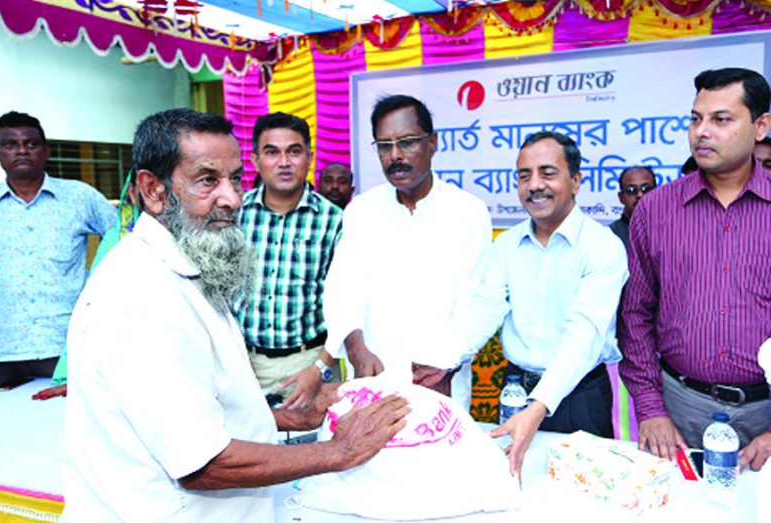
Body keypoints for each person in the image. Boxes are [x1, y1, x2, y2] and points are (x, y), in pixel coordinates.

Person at [62, 108, 409, 521]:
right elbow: (202, 462)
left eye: (235, 179)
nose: (232, 198)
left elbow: (197, 411)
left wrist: (289, 419)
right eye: (207, 180)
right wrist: (341, 450)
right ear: (152, 190)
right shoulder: (143, 295)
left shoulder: (187, 260)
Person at [619, 68, 771, 471]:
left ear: (760, 125)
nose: (701, 132)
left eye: (721, 119)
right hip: (678, 412)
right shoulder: (654, 211)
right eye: (695, 119)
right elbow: (636, 315)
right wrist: (650, 407)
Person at [450, 131, 627, 480]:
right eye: (524, 175)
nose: (534, 185)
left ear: (575, 181)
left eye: (548, 173)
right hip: (515, 391)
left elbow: (583, 336)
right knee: (516, 489)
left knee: (584, 499)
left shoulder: (603, 247)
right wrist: (443, 360)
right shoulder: (505, 246)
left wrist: (539, 405)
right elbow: (484, 312)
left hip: (580, 397)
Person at [314, 94, 492, 409]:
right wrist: (355, 347)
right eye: (384, 146)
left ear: (433, 143)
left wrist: (449, 362)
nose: (395, 155)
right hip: (372, 382)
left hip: (440, 384)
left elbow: (477, 301)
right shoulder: (362, 211)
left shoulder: (468, 212)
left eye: (407, 142)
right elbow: (342, 288)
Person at [0, 111, 116, 384]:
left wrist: (98, 285)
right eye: (10, 144)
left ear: (46, 151)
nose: (22, 150)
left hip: (67, 347)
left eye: (31, 143)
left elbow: (125, 241)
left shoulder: (80, 197)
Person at [235, 113, 343, 399]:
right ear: (255, 160)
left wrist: (321, 367)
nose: (284, 162)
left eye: (294, 151)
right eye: (272, 152)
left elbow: (348, 302)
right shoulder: (233, 215)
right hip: (243, 364)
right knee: (250, 444)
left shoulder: (334, 221)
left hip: (309, 363)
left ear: (309, 157)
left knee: (314, 443)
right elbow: (217, 295)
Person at [33, 173, 141, 401]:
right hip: (127, 372)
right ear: (135, 191)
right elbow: (92, 311)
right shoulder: (119, 240)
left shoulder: (213, 238)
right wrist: (68, 376)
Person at [608, 165, 657, 249]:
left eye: (646, 188)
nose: (639, 195)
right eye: (631, 190)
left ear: (657, 193)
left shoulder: (669, 231)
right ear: (621, 197)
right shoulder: (609, 236)